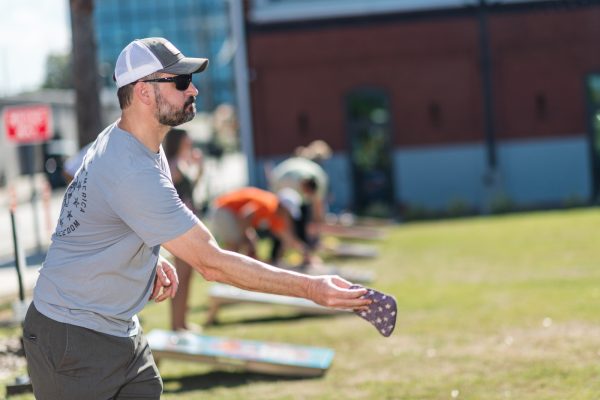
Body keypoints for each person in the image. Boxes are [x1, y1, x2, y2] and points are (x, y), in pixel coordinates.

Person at [22, 37, 370, 400]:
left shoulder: (130, 143)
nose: (194, 89)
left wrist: (148, 255)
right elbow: (213, 264)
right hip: (71, 339)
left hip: (119, 331)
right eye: (180, 82)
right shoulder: (130, 167)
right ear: (143, 92)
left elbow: (96, 211)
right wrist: (312, 288)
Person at [163, 128, 204, 332]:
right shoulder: (172, 165)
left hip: (187, 226)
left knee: (187, 276)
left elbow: (191, 188)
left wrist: (200, 168)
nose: (190, 144)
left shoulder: (182, 163)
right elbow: (168, 192)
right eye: (187, 142)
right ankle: (176, 324)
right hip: (179, 229)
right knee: (181, 276)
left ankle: (182, 322)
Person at [209, 186, 312, 265]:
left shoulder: (275, 213)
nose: (288, 218)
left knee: (246, 245)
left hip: (230, 213)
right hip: (224, 210)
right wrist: (246, 239)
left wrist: (304, 251)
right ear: (283, 207)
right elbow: (245, 214)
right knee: (235, 246)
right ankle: (227, 279)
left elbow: (287, 237)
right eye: (288, 214)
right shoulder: (268, 205)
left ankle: (233, 277)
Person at [269, 140, 331, 257]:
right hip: (282, 187)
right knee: (295, 223)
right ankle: (302, 253)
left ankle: (278, 255)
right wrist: (318, 226)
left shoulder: (310, 171)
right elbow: (318, 207)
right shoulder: (318, 176)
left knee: (281, 223)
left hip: (278, 183)